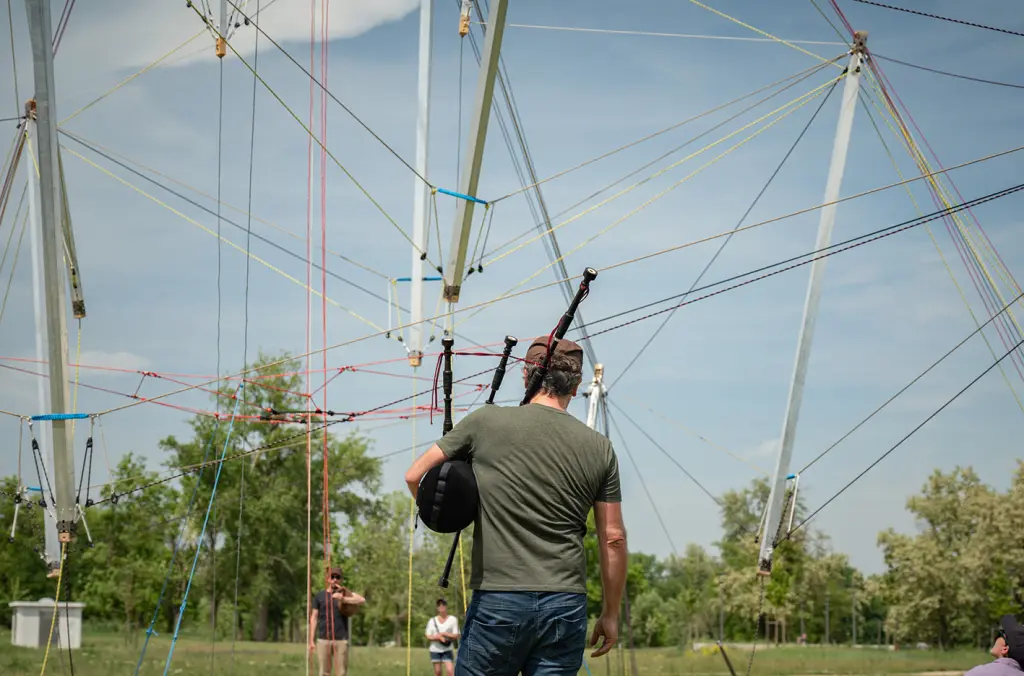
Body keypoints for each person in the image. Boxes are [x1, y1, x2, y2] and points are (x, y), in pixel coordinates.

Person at [404, 336, 627, 676]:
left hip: (498, 597)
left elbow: (414, 476)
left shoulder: (485, 422)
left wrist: (450, 514)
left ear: (526, 376)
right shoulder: (600, 448)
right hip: (565, 602)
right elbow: (613, 539)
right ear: (576, 383)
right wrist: (610, 613)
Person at [308, 567, 366, 676]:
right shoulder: (319, 596)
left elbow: (362, 600)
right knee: (324, 673)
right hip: (323, 639)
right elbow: (314, 617)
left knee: (341, 673)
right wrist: (311, 640)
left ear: (341, 579)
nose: (335, 579)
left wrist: (343, 598)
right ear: (328, 579)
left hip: (341, 640)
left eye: (337, 577)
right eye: (332, 577)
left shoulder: (345, 593)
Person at [426, 598, 460, 675]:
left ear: (446, 606)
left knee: (450, 670)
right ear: (437, 608)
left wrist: (444, 633)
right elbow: (428, 636)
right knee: (438, 672)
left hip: (447, 649)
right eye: (439, 605)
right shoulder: (432, 621)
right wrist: (439, 638)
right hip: (435, 650)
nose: (441, 606)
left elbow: (456, 635)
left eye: (443, 604)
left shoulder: (453, 619)